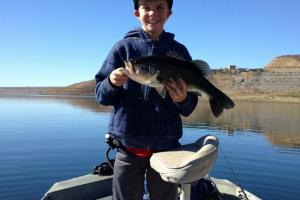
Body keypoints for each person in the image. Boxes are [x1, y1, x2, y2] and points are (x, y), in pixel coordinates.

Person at [95, 0, 198, 199]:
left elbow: (188, 108)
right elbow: (101, 95)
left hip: (167, 151)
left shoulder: (180, 52)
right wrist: (111, 82)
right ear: (136, 13)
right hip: (127, 149)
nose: (153, 13)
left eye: (160, 7)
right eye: (146, 7)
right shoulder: (122, 49)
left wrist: (183, 99)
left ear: (169, 13)